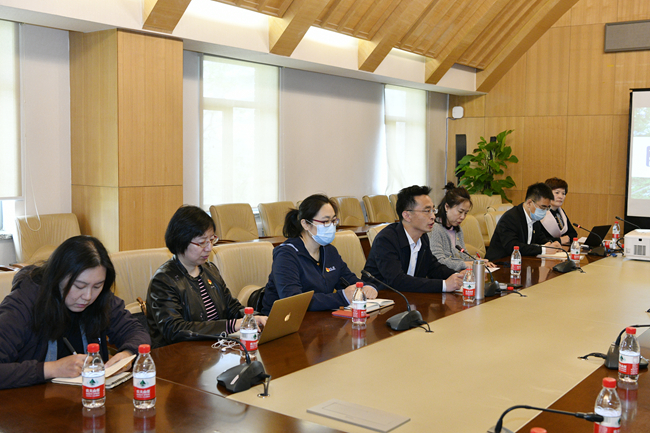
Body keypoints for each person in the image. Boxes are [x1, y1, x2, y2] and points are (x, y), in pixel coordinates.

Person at [0, 235, 150, 389]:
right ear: (58, 277)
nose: (88, 296)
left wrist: (127, 354)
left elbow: (136, 331)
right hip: (29, 400)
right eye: (79, 286)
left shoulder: (100, 298)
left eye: (97, 286)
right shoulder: (23, 303)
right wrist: (52, 369)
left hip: (89, 396)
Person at [147, 205, 267, 348]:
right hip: (180, 354)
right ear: (181, 241)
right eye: (202, 242)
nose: (209, 248)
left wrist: (253, 318)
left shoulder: (210, 270)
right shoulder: (163, 280)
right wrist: (231, 325)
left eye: (211, 240)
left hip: (214, 350)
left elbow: (231, 308)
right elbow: (175, 330)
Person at [261, 194, 377, 316]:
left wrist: (368, 287)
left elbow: (349, 280)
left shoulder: (329, 251)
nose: (331, 226)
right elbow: (294, 301)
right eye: (325, 221)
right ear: (305, 224)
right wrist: (342, 297)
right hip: (284, 320)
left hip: (319, 319)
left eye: (333, 221)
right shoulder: (286, 255)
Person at [362, 185, 463, 293]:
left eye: (433, 210)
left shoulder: (423, 237)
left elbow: (433, 267)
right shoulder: (386, 240)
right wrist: (444, 285)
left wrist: (458, 276)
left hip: (411, 297)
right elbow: (397, 281)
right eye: (427, 211)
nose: (433, 216)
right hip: (381, 298)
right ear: (407, 215)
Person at [485, 182, 562, 261]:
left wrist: (552, 244)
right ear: (529, 203)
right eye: (543, 207)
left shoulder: (534, 218)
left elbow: (540, 238)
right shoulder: (511, 218)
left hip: (522, 261)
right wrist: (543, 250)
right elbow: (513, 247)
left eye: (547, 208)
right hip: (499, 263)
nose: (545, 211)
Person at [428, 183, 495, 271]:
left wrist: (478, 262)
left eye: (466, 213)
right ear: (447, 207)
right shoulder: (435, 228)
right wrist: (465, 264)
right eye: (460, 212)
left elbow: (463, 255)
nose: (463, 217)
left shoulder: (457, 229)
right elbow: (438, 261)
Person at [539, 177, 578, 245]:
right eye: (557, 193)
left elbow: (573, 234)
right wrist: (560, 240)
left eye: (563, 193)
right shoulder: (539, 213)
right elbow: (538, 239)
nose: (561, 196)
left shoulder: (560, 212)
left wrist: (565, 238)